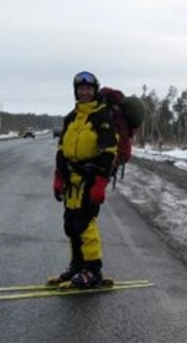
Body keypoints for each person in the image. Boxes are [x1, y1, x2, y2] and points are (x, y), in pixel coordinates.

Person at [50, 71, 118, 288]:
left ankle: (93, 270)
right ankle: (77, 266)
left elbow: (109, 151)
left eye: (89, 89)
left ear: (95, 90)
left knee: (85, 224)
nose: (85, 92)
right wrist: (59, 178)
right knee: (70, 224)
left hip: (91, 178)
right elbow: (61, 150)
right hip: (72, 179)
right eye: (81, 89)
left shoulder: (103, 116)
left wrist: (100, 183)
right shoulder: (71, 117)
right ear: (76, 91)